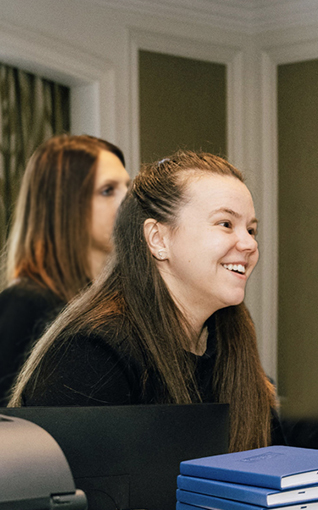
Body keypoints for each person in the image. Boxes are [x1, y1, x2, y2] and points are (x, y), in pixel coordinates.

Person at [11, 151, 277, 452]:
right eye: (226, 224)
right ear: (158, 239)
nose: (250, 244)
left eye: (251, 229)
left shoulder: (231, 337)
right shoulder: (91, 353)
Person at [0, 135, 129, 403]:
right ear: (65, 205)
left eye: (128, 187)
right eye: (108, 190)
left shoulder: (110, 302)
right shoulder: (25, 303)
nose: (128, 202)